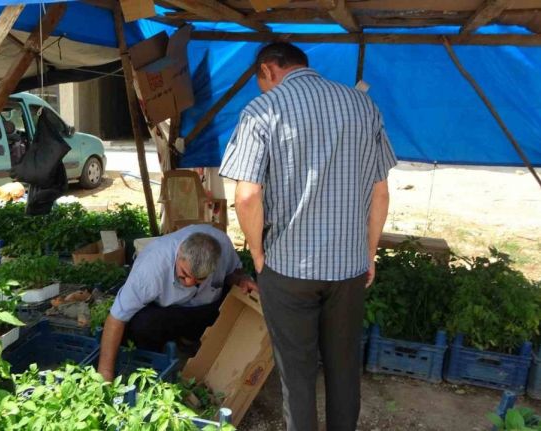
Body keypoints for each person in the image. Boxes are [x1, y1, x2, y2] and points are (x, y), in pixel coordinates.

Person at [219, 42, 397, 431]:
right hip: (348, 268)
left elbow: (247, 195)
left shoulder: (262, 111)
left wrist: (259, 254)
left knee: (296, 375)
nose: (261, 88)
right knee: (343, 366)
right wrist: (369, 254)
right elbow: (380, 192)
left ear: (268, 70)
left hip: (288, 268)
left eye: (259, 80)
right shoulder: (362, 106)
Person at [97, 224, 257, 382]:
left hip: (204, 308)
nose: (189, 283)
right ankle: (156, 363)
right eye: (184, 274)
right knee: (142, 325)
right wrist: (105, 373)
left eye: (199, 279)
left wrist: (241, 279)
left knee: (231, 304)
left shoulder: (223, 246)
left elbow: (233, 273)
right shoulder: (150, 271)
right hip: (165, 310)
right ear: (179, 253)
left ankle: (191, 340)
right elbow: (116, 318)